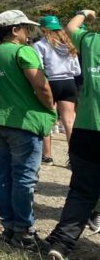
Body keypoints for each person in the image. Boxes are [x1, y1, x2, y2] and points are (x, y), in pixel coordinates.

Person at [0, 10, 56, 250]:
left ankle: (9, 227)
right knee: (24, 177)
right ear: (14, 30)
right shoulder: (23, 51)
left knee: (5, 174)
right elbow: (41, 85)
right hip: (22, 122)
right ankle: (24, 231)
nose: (29, 34)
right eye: (26, 28)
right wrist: (49, 107)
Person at [46, 9, 100, 260]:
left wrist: (84, 12)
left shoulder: (92, 41)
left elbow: (69, 29)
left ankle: (61, 244)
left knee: (82, 192)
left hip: (86, 130)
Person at [32, 15, 81, 166]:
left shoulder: (40, 44)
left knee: (48, 118)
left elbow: (39, 66)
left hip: (51, 82)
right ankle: (74, 157)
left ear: (43, 29)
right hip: (69, 82)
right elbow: (77, 70)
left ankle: (47, 156)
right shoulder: (68, 43)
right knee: (69, 120)